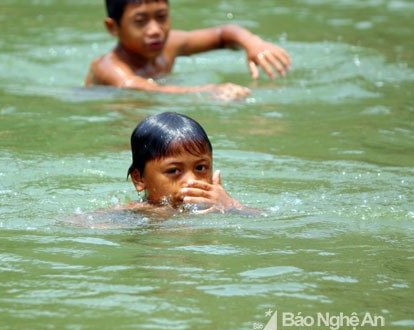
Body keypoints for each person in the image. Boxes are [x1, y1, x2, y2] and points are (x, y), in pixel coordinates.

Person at [85, 0, 291, 100]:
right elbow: (144, 88)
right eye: (140, 21)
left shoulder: (170, 45)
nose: (155, 30)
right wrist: (207, 90)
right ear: (113, 27)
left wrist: (253, 43)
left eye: (162, 17)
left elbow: (222, 34)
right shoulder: (108, 66)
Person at [123, 112, 261, 215]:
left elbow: (265, 218)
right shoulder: (136, 214)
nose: (191, 180)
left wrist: (232, 206)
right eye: (174, 171)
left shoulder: (219, 206)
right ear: (139, 179)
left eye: (201, 168)